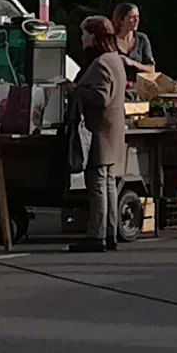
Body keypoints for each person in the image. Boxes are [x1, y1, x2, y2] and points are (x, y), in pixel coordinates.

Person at [66, 14, 135, 251]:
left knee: (97, 184)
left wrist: (76, 90)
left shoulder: (101, 63)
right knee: (107, 183)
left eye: (84, 33)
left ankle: (97, 235)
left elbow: (101, 97)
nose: (82, 38)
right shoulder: (114, 59)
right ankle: (109, 232)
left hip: (100, 131)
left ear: (93, 37)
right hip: (111, 130)